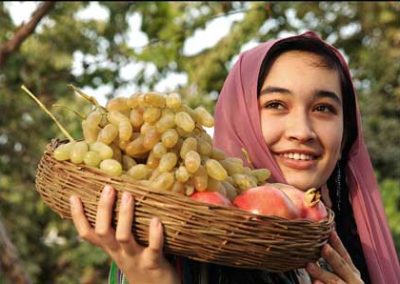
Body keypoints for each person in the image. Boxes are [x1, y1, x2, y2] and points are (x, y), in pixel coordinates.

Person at [69, 31, 400, 283]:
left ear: (346, 135)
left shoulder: (355, 251)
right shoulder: (176, 242)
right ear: (239, 118)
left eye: (324, 108)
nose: (303, 130)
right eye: (275, 105)